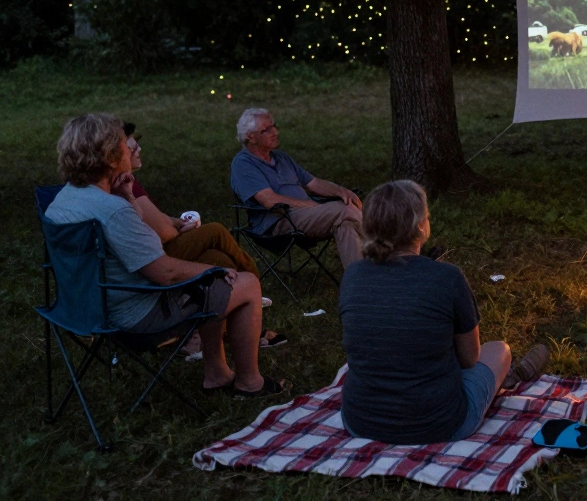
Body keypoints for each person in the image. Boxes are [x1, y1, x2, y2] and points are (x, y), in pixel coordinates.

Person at [44, 113, 286, 397]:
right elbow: (164, 271)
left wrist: (129, 197)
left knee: (211, 278)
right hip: (134, 318)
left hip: (83, 308)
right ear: (109, 157)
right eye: (124, 144)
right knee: (244, 284)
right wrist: (213, 271)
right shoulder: (111, 210)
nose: (130, 148)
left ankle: (218, 373)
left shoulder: (62, 201)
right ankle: (249, 383)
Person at [339, 180, 529, 444]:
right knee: (499, 350)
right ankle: (505, 381)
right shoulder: (446, 277)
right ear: (419, 226)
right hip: (440, 424)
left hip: (360, 422)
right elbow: (470, 359)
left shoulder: (353, 274)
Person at [116, 123, 286, 350]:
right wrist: (177, 228)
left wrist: (177, 223)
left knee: (217, 258)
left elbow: (157, 219)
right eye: (132, 147)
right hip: (155, 258)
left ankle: (231, 331)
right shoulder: (125, 183)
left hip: (152, 252)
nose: (138, 149)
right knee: (215, 231)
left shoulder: (124, 183)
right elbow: (163, 232)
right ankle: (253, 283)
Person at [230, 108, 365, 267]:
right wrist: (310, 206)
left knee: (347, 223)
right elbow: (269, 201)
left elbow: (314, 183)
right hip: (279, 221)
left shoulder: (280, 157)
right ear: (250, 137)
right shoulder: (243, 164)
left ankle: (359, 282)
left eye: (274, 126)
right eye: (267, 130)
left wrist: (342, 191)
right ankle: (388, 254)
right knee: (346, 211)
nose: (275, 132)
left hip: (308, 216)